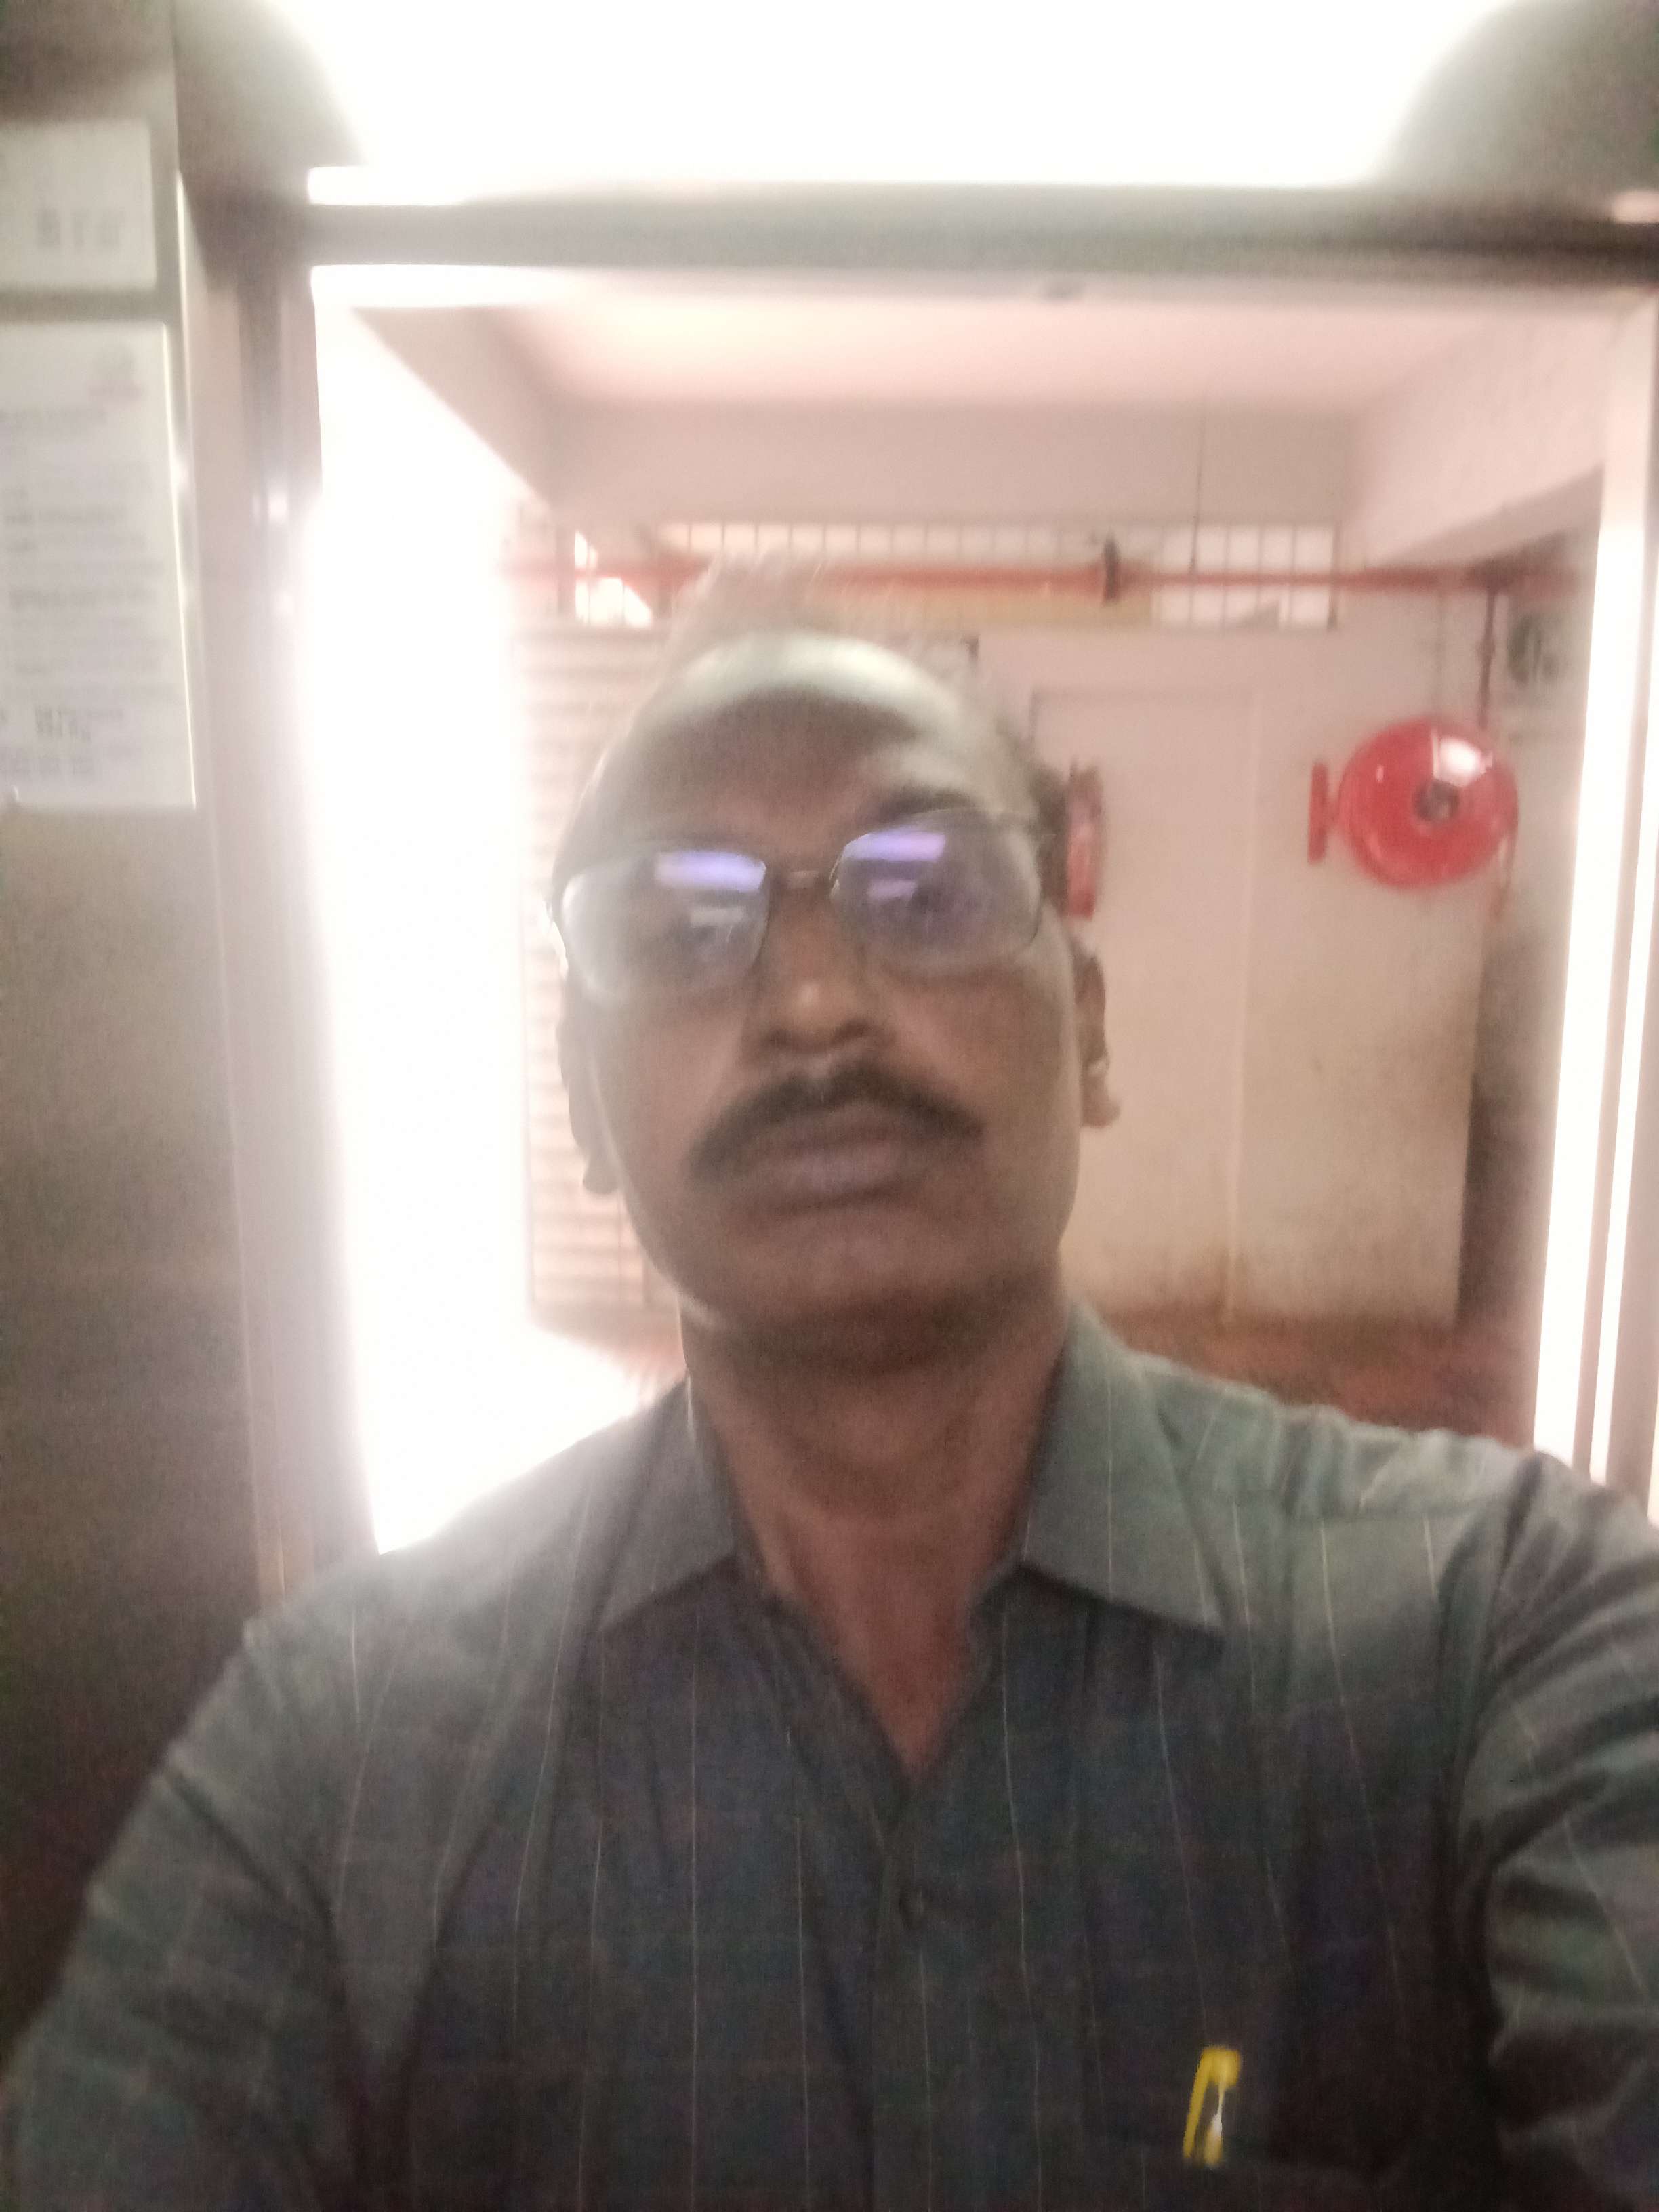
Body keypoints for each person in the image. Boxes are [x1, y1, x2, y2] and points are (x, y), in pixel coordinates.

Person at [4, 611, 1658, 2211]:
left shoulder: (1500, 1632)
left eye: (927, 894)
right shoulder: (344, 1752)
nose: (812, 1003)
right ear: (585, 1105)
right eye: (679, 928)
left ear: (1086, 1028)